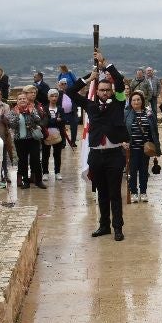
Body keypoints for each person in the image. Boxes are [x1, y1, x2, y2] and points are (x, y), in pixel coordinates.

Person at [69, 52, 128, 240]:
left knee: (115, 194)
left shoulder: (118, 103)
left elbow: (118, 80)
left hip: (114, 154)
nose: (104, 93)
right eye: (101, 90)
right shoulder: (90, 105)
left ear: (111, 91)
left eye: (107, 90)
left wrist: (106, 64)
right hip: (96, 154)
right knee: (101, 193)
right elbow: (70, 92)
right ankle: (104, 225)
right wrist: (89, 78)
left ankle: (117, 227)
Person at [125, 91, 160, 202]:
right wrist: (123, 142)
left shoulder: (149, 114)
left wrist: (155, 145)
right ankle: (134, 192)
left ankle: (143, 192)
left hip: (145, 148)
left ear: (142, 101)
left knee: (144, 171)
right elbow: (122, 130)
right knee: (133, 171)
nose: (136, 102)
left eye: (138, 99)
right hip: (132, 149)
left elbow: (154, 130)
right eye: (134, 100)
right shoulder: (126, 113)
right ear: (131, 102)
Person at [7, 93, 44, 189]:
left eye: (24, 98)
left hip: (33, 138)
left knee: (36, 159)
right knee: (23, 161)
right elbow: (12, 125)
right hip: (20, 140)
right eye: (20, 99)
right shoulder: (13, 112)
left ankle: (39, 181)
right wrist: (18, 115)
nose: (22, 100)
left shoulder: (32, 109)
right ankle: (25, 182)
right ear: (17, 101)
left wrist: (30, 113)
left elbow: (38, 120)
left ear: (27, 100)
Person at [41, 89, 71, 182]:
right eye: (52, 96)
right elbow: (44, 123)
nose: (54, 98)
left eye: (55, 96)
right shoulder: (44, 109)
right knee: (45, 154)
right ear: (48, 97)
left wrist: (56, 121)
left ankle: (57, 172)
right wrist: (55, 120)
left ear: (58, 97)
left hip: (58, 134)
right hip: (46, 134)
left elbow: (63, 121)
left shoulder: (60, 109)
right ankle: (45, 172)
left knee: (57, 154)